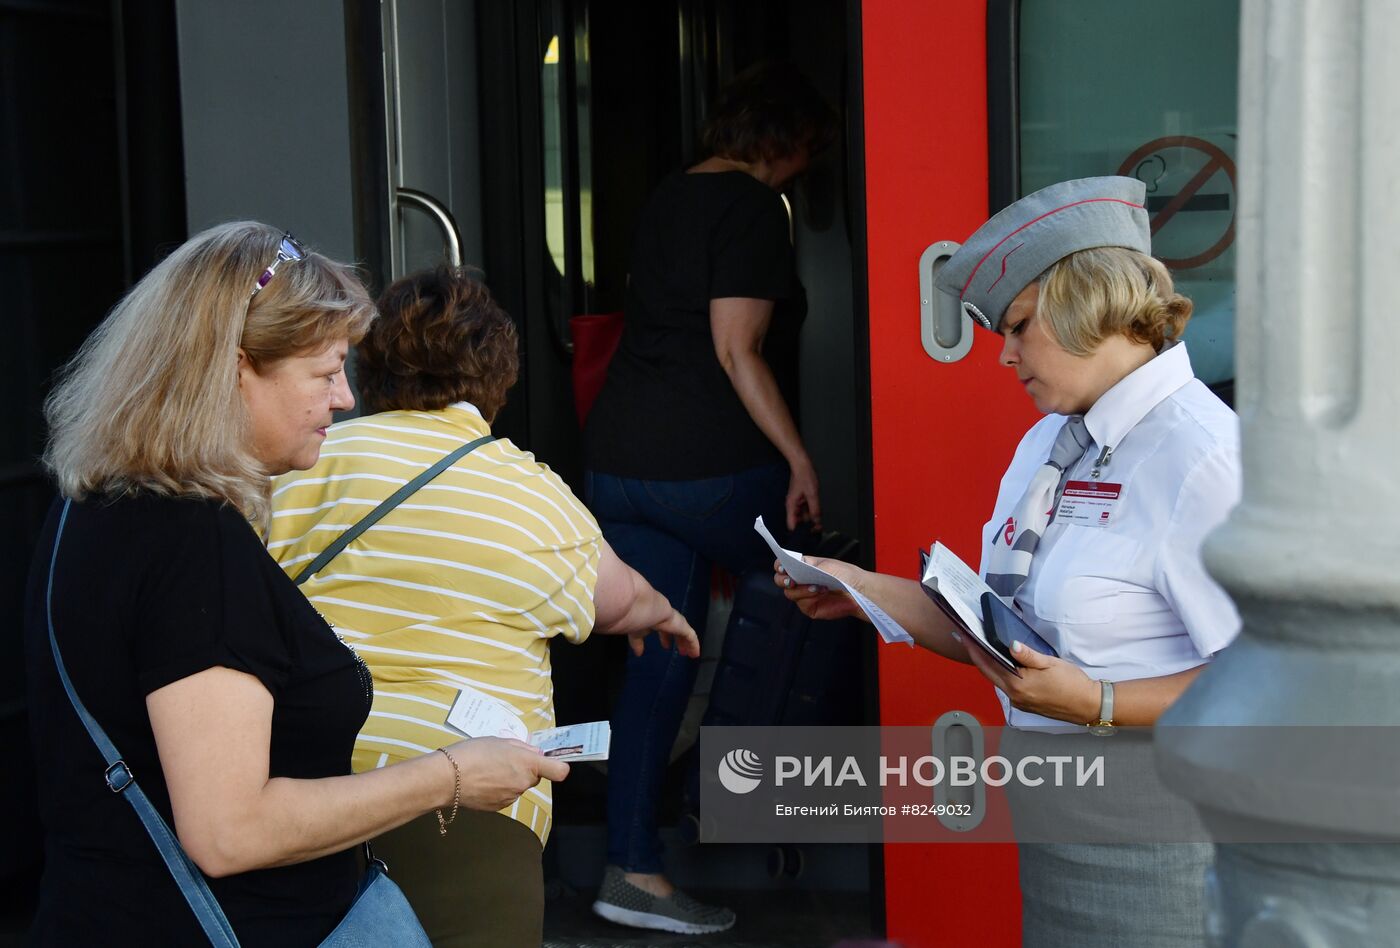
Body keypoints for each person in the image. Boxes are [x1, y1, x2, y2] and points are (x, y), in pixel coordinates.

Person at [23, 223, 567, 946]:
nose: (344, 397)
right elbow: (230, 831)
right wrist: (451, 775)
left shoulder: (91, 506)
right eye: (325, 371)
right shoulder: (192, 539)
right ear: (236, 368)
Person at [778, 177, 1241, 946]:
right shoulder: (1049, 444)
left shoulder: (1202, 454)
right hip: (1058, 816)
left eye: (1020, 326)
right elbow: (1004, 631)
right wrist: (863, 591)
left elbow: (1267, 683)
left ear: (1087, 304)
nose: (1003, 355)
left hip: (1166, 831)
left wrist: (1096, 702)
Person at [267, 265, 700, 947]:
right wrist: (662, 614)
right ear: (499, 377)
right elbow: (618, 600)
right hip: (468, 812)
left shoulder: (304, 462)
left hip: (301, 799)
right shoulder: (531, 494)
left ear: (372, 370)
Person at [581, 62, 838, 934]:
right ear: (792, 143)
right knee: (839, 590)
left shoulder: (668, 195)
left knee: (661, 653)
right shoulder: (755, 208)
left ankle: (633, 871)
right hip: (707, 465)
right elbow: (738, 350)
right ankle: (764, 810)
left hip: (620, 458)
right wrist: (799, 458)